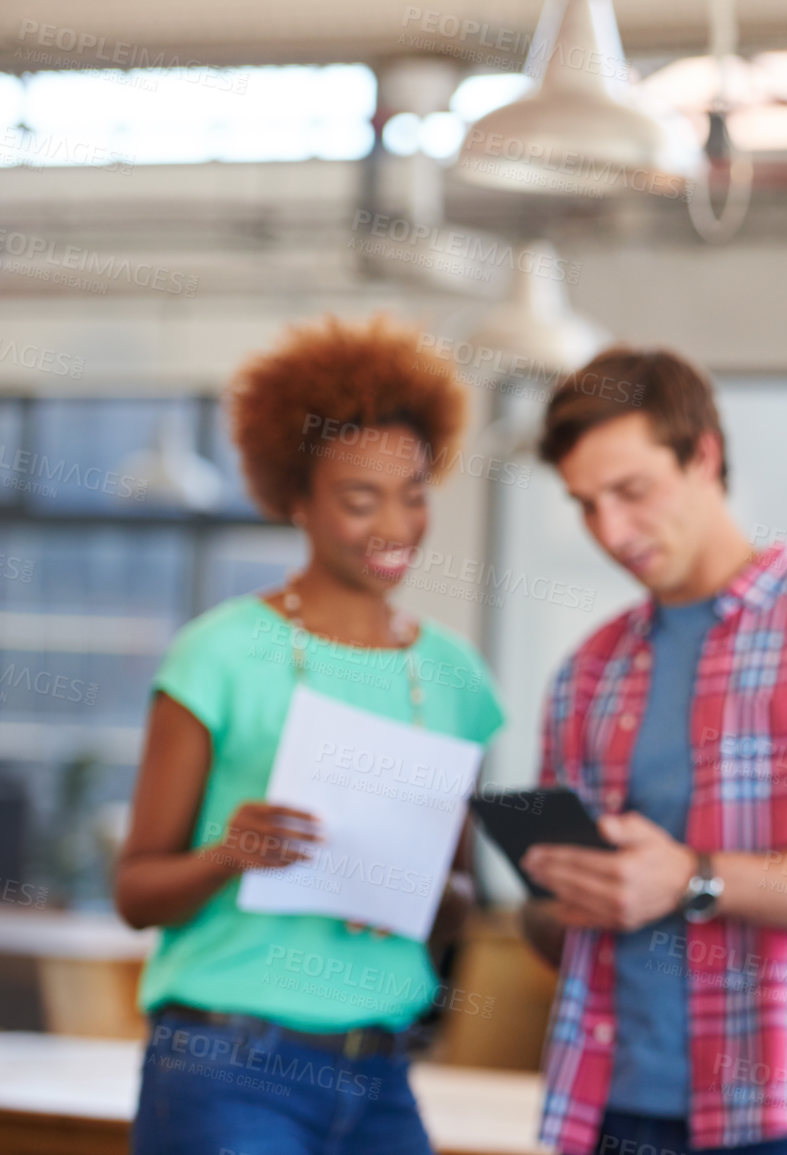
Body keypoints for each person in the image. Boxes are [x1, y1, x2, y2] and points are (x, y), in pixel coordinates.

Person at [518, 347, 787, 1155]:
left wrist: (689, 878)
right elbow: (553, 924)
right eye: (585, 505)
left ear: (702, 454)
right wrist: (565, 897)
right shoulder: (587, 670)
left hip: (773, 1112)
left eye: (630, 491)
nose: (610, 530)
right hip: (603, 1103)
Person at [115, 315, 506, 1155]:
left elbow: (461, 901)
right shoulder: (219, 651)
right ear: (295, 498)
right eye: (359, 499)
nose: (394, 525)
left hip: (379, 1070)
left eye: (413, 492)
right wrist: (230, 852)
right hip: (226, 1063)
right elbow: (137, 891)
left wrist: (402, 890)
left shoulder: (453, 676)